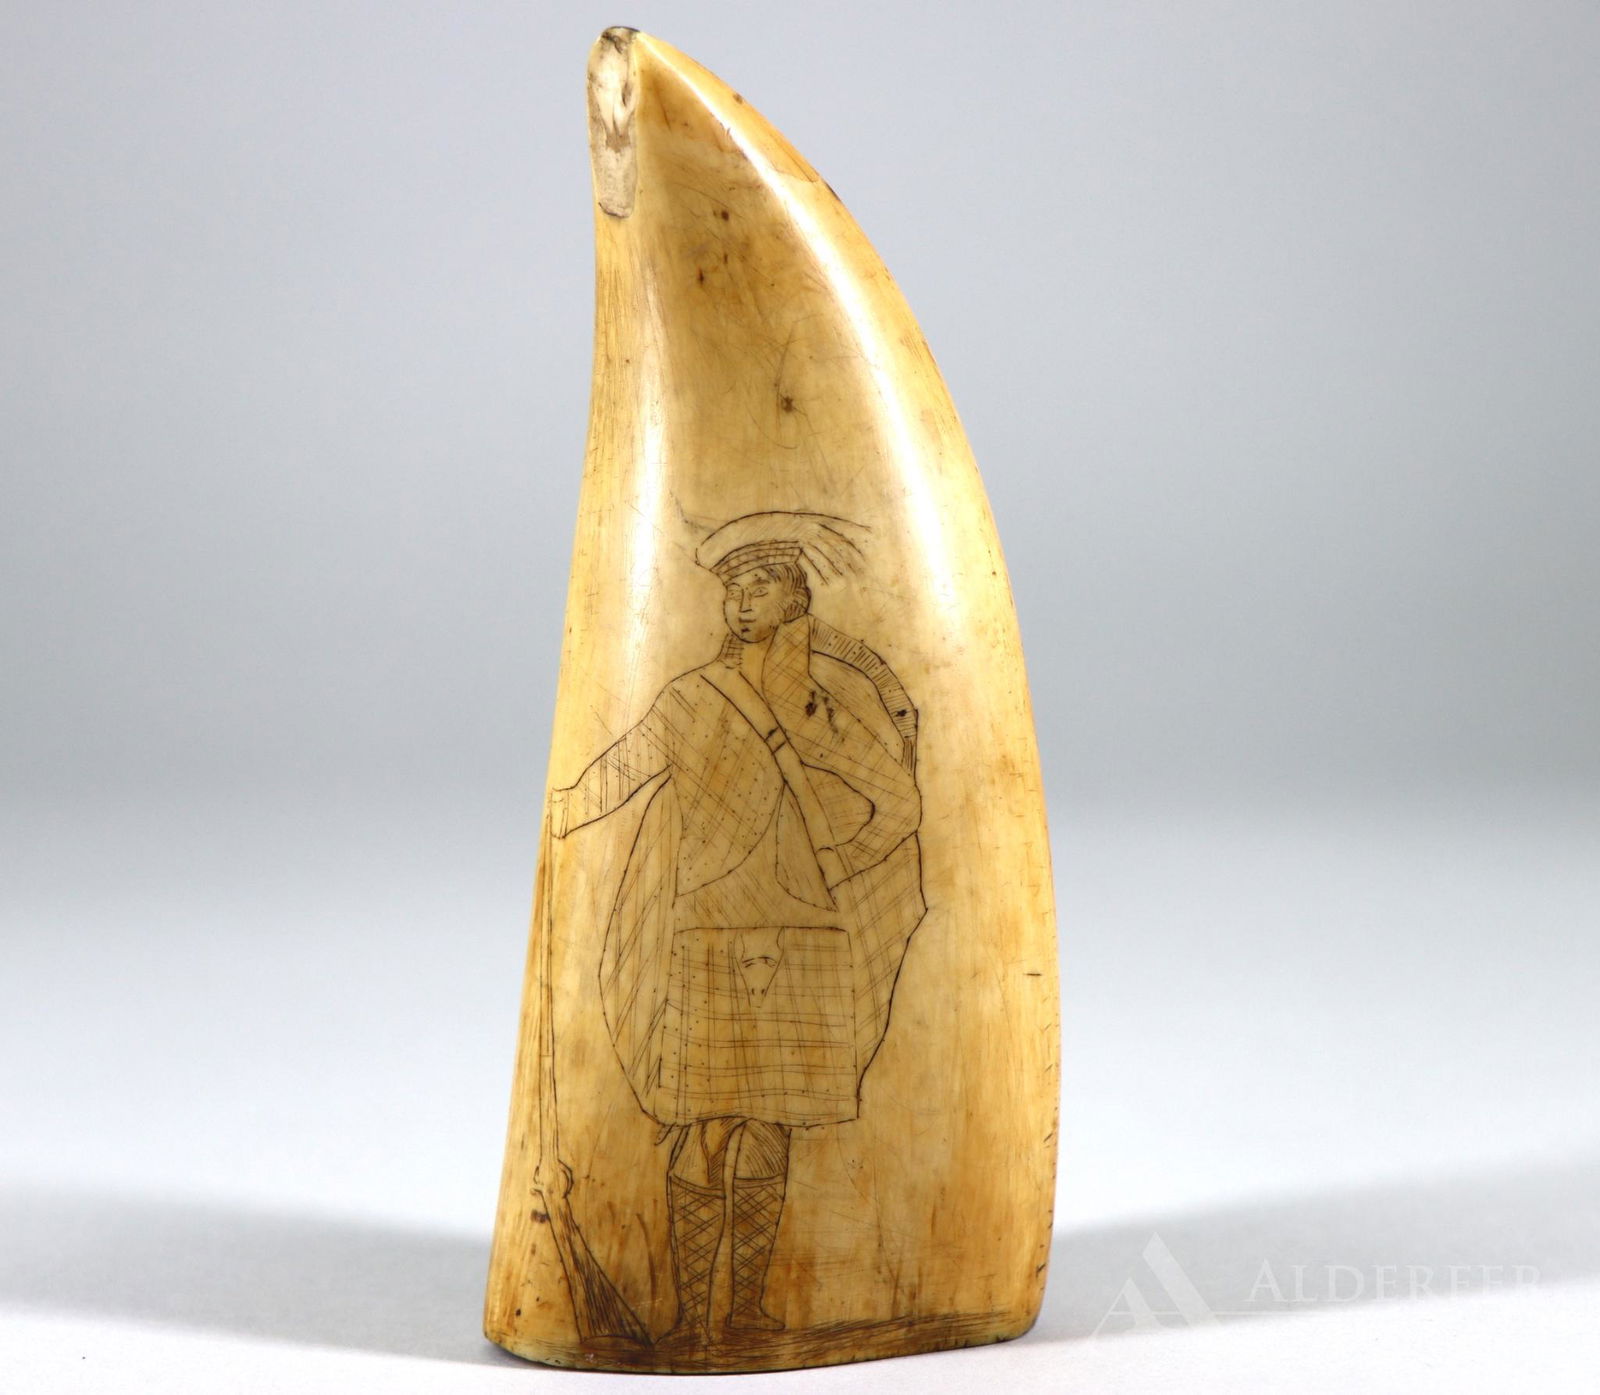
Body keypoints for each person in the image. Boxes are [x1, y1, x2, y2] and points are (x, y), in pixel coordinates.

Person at [550, 513, 925, 1346]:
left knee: (770, 1125)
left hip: (803, 933)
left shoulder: (818, 708)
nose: (742, 601)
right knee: (704, 1123)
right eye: (731, 588)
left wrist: (834, 865)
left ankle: (747, 1309)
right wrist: (560, 812)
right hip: (708, 930)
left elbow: (900, 804)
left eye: (760, 585)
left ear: (795, 598)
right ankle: (691, 1315)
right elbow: (621, 768)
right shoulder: (693, 698)